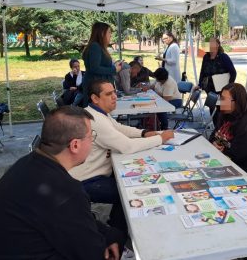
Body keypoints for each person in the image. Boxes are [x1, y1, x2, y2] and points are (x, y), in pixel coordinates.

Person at [0, 106, 125, 260]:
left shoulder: (27, 164)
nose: (92, 141)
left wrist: (109, 234)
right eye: (91, 137)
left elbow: (76, 221)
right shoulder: (65, 192)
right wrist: (114, 239)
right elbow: (92, 253)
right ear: (75, 145)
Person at [69, 79, 174, 233]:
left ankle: (117, 228)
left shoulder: (97, 113)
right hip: (85, 181)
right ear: (95, 98)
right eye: (108, 94)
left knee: (132, 184)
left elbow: (118, 128)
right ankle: (117, 235)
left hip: (93, 175)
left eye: (115, 93)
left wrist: (143, 133)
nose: (114, 97)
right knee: (130, 193)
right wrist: (160, 138)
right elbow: (127, 146)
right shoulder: (95, 120)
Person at [210, 83, 247, 174]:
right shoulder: (225, 114)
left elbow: (237, 154)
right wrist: (214, 144)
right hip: (223, 160)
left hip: (240, 169)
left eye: (224, 99)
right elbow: (212, 137)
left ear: (237, 102)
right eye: (220, 98)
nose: (220, 102)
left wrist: (219, 146)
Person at [81, 22, 122, 106]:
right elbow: (95, 68)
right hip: (96, 86)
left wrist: (114, 65)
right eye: (109, 32)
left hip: (99, 85)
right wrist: (114, 69)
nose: (110, 35)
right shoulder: (95, 47)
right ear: (102, 33)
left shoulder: (98, 47)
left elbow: (100, 65)